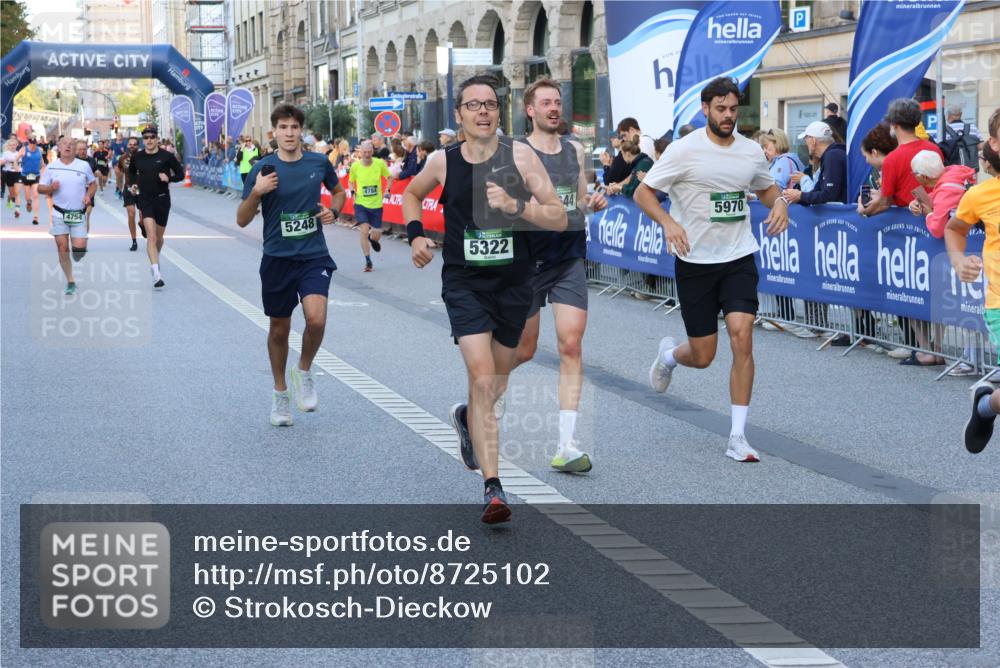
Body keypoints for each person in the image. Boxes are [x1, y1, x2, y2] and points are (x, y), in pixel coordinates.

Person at [402, 74, 567, 523]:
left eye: (490, 104)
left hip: (514, 284)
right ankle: (494, 488)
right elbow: (412, 196)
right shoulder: (443, 160)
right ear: (459, 115)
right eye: (473, 105)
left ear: (500, 111)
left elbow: (557, 216)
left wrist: (518, 208)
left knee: (494, 383)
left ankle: (468, 418)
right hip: (465, 283)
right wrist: (416, 236)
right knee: (481, 378)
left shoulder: (521, 156)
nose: (482, 112)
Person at [633, 76, 790, 463]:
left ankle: (737, 436)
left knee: (742, 335)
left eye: (733, 109)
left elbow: (766, 188)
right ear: (705, 109)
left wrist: (781, 202)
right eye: (720, 109)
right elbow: (643, 193)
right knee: (703, 356)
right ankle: (670, 357)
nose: (728, 116)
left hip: (738, 257)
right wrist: (669, 223)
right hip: (696, 262)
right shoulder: (684, 151)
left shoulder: (751, 151)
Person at [510, 77, 607, 473]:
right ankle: (484, 386)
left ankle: (566, 445)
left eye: (557, 102)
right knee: (525, 350)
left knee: (571, 345)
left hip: (568, 256)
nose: (554, 107)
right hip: (529, 260)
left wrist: (593, 203)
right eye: (545, 102)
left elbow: (580, 198)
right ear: (530, 110)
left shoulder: (576, 150)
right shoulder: (516, 152)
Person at [237, 103, 347, 427]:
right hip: (277, 259)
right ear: (274, 133)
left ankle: (303, 371)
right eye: (283, 128)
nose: (289, 133)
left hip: (313, 255)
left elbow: (338, 193)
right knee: (279, 329)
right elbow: (242, 219)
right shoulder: (263, 169)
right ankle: (280, 394)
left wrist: (334, 211)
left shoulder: (318, 162)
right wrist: (256, 192)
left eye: (294, 127)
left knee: (316, 319)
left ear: (301, 131)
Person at [946, 108, 1000, 452]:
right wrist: (958, 259)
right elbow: (955, 228)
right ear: (995, 143)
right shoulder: (981, 195)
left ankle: (985, 406)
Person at [861, 97, 944, 216]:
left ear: (895, 124)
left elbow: (885, 203)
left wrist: (863, 212)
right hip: (933, 219)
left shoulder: (892, 159)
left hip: (906, 225)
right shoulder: (934, 149)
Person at [37, 137, 97, 295]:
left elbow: (93, 183)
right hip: (59, 213)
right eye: (64, 144)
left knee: (79, 250)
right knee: (62, 248)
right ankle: (70, 280)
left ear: (75, 149)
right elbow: (40, 188)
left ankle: (79, 250)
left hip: (78, 213)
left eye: (71, 145)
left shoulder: (83, 166)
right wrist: (51, 187)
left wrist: (88, 196)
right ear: (58, 147)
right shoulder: (52, 167)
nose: (68, 147)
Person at [128, 125, 184, 288]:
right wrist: (133, 185)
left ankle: (155, 258)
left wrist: (169, 178)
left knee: (158, 238)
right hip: (145, 199)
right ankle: (156, 273)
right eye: (146, 137)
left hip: (162, 199)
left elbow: (180, 174)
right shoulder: (137, 157)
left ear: (157, 139)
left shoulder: (166, 156)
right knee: (151, 236)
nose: (149, 140)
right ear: (143, 140)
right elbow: (131, 173)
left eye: (152, 137)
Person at [348, 140, 392, 272]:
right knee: (364, 230)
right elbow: (350, 182)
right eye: (364, 152)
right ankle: (368, 261)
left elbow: (389, 177)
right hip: (361, 204)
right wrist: (352, 192)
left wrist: (387, 190)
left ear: (373, 151)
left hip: (376, 204)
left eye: (369, 152)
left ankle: (373, 240)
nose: (367, 154)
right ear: (360, 152)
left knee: (376, 235)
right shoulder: (355, 166)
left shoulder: (379, 163)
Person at [782, 122, 848, 206]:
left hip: (839, 217)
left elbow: (829, 195)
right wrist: (796, 197)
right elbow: (818, 190)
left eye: (805, 139)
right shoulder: (832, 155)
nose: (805, 143)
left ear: (813, 140)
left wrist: (800, 195)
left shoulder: (832, 156)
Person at [116, 136, 141, 251]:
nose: (132, 146)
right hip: (128, 188)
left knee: (143, 217)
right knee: (131, 214)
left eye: (134, 144)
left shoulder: (144, 156)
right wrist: (119, 187)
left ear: (138, 145)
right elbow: (119, 172)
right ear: (127, 145)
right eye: (130, 144)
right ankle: (134, 241)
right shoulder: (123, 158)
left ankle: (142, 224)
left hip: (142, 189)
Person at [19, 136, 45, 225]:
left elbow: (42, 163)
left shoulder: (39, 150)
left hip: (35, 175)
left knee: (36, 195)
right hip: (25, 175)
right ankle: (28, 202)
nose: (33, 145)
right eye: (31, 144)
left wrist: (42, 171)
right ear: (29, 143)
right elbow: (16, 159)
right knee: (27, 196)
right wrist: (16, 166)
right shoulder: (23, 149)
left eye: (35, 144)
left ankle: (36, 217)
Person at [74, 140, 98, 231]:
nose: (82, 151)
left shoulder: (91, 160)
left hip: (89, 191)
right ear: (76, 150)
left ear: (87, 149)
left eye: (84, 149)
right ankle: (76, 235)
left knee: (86, 215)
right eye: (79, 149)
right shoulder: (73, 160)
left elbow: (95, 170)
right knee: (78, 216)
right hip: (76, 191)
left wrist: (97, 172)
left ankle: (84, 237)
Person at [1, 138, 22, 218]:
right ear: (8, 146)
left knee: (17, 192)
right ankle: (9, 198)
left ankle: (17, 210)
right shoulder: (6, 153)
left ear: (17, 145)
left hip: (18, 174)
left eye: (14, 145)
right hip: (9, 174)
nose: (12, 147)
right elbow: (2, 161)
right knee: (12, 194)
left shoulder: (20, 153)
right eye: (10, 145)